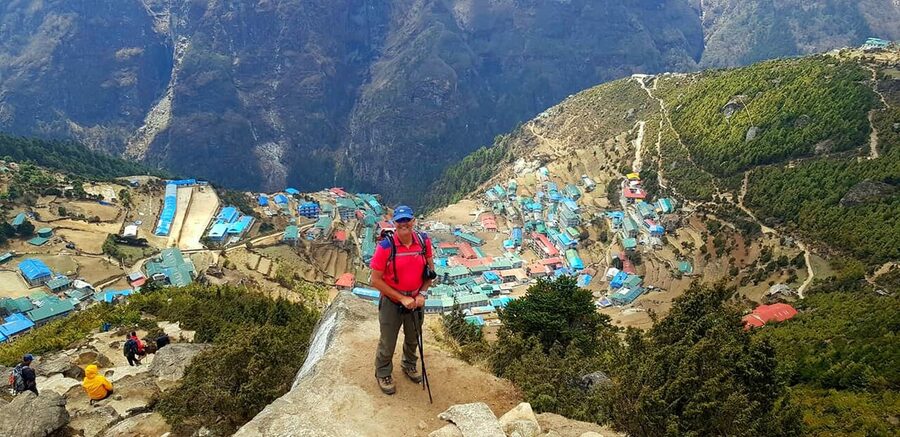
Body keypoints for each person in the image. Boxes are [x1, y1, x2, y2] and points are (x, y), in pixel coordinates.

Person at [369, 205, 435, 395]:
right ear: (394, 223)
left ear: (413, 221)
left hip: (416, 299)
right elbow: (375, 280)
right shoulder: (386, 247)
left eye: (407, 220)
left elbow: (430, 272)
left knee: (413, 336)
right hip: (392, 301)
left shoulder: (423, 242)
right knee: (388, 340)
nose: (404, 224)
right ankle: (383, 372)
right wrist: (401, 298)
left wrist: (422, 294)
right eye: (400, 221)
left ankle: (409, 364)